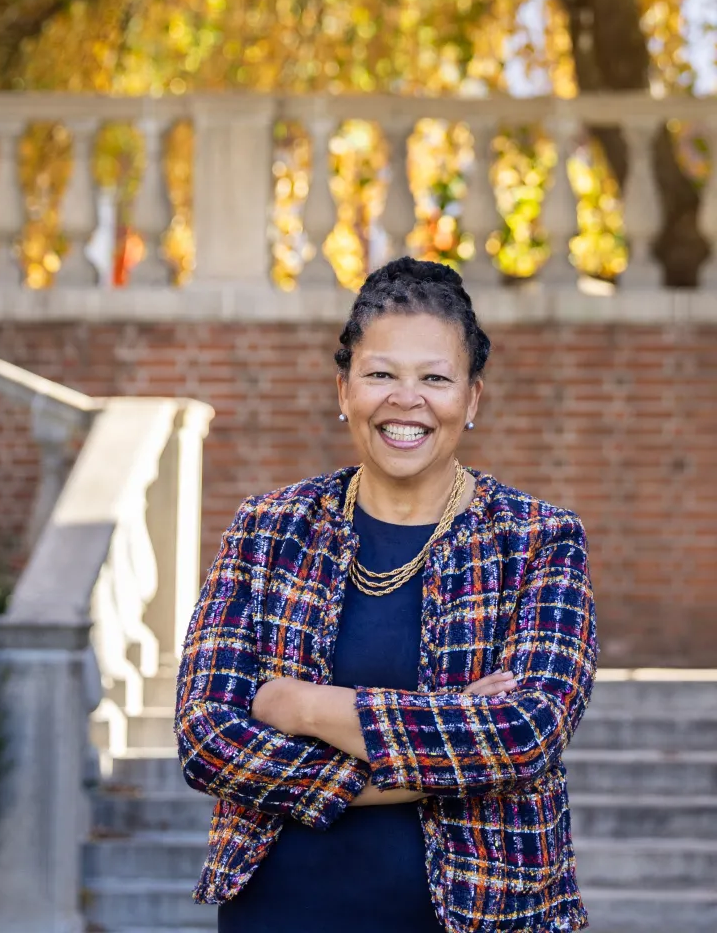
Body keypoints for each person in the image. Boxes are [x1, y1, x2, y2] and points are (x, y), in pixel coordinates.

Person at [175, 257, 598, 933]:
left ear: (473, 399)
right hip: (281, 914)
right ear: (344, 390)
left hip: (484, 914)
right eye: (381, 375)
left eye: (435, 378)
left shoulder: (537, 541)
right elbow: (208, 739)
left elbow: (527, 733)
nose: (408, 399)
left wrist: (302, 705)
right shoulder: (269, 529)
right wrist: (453, 729)